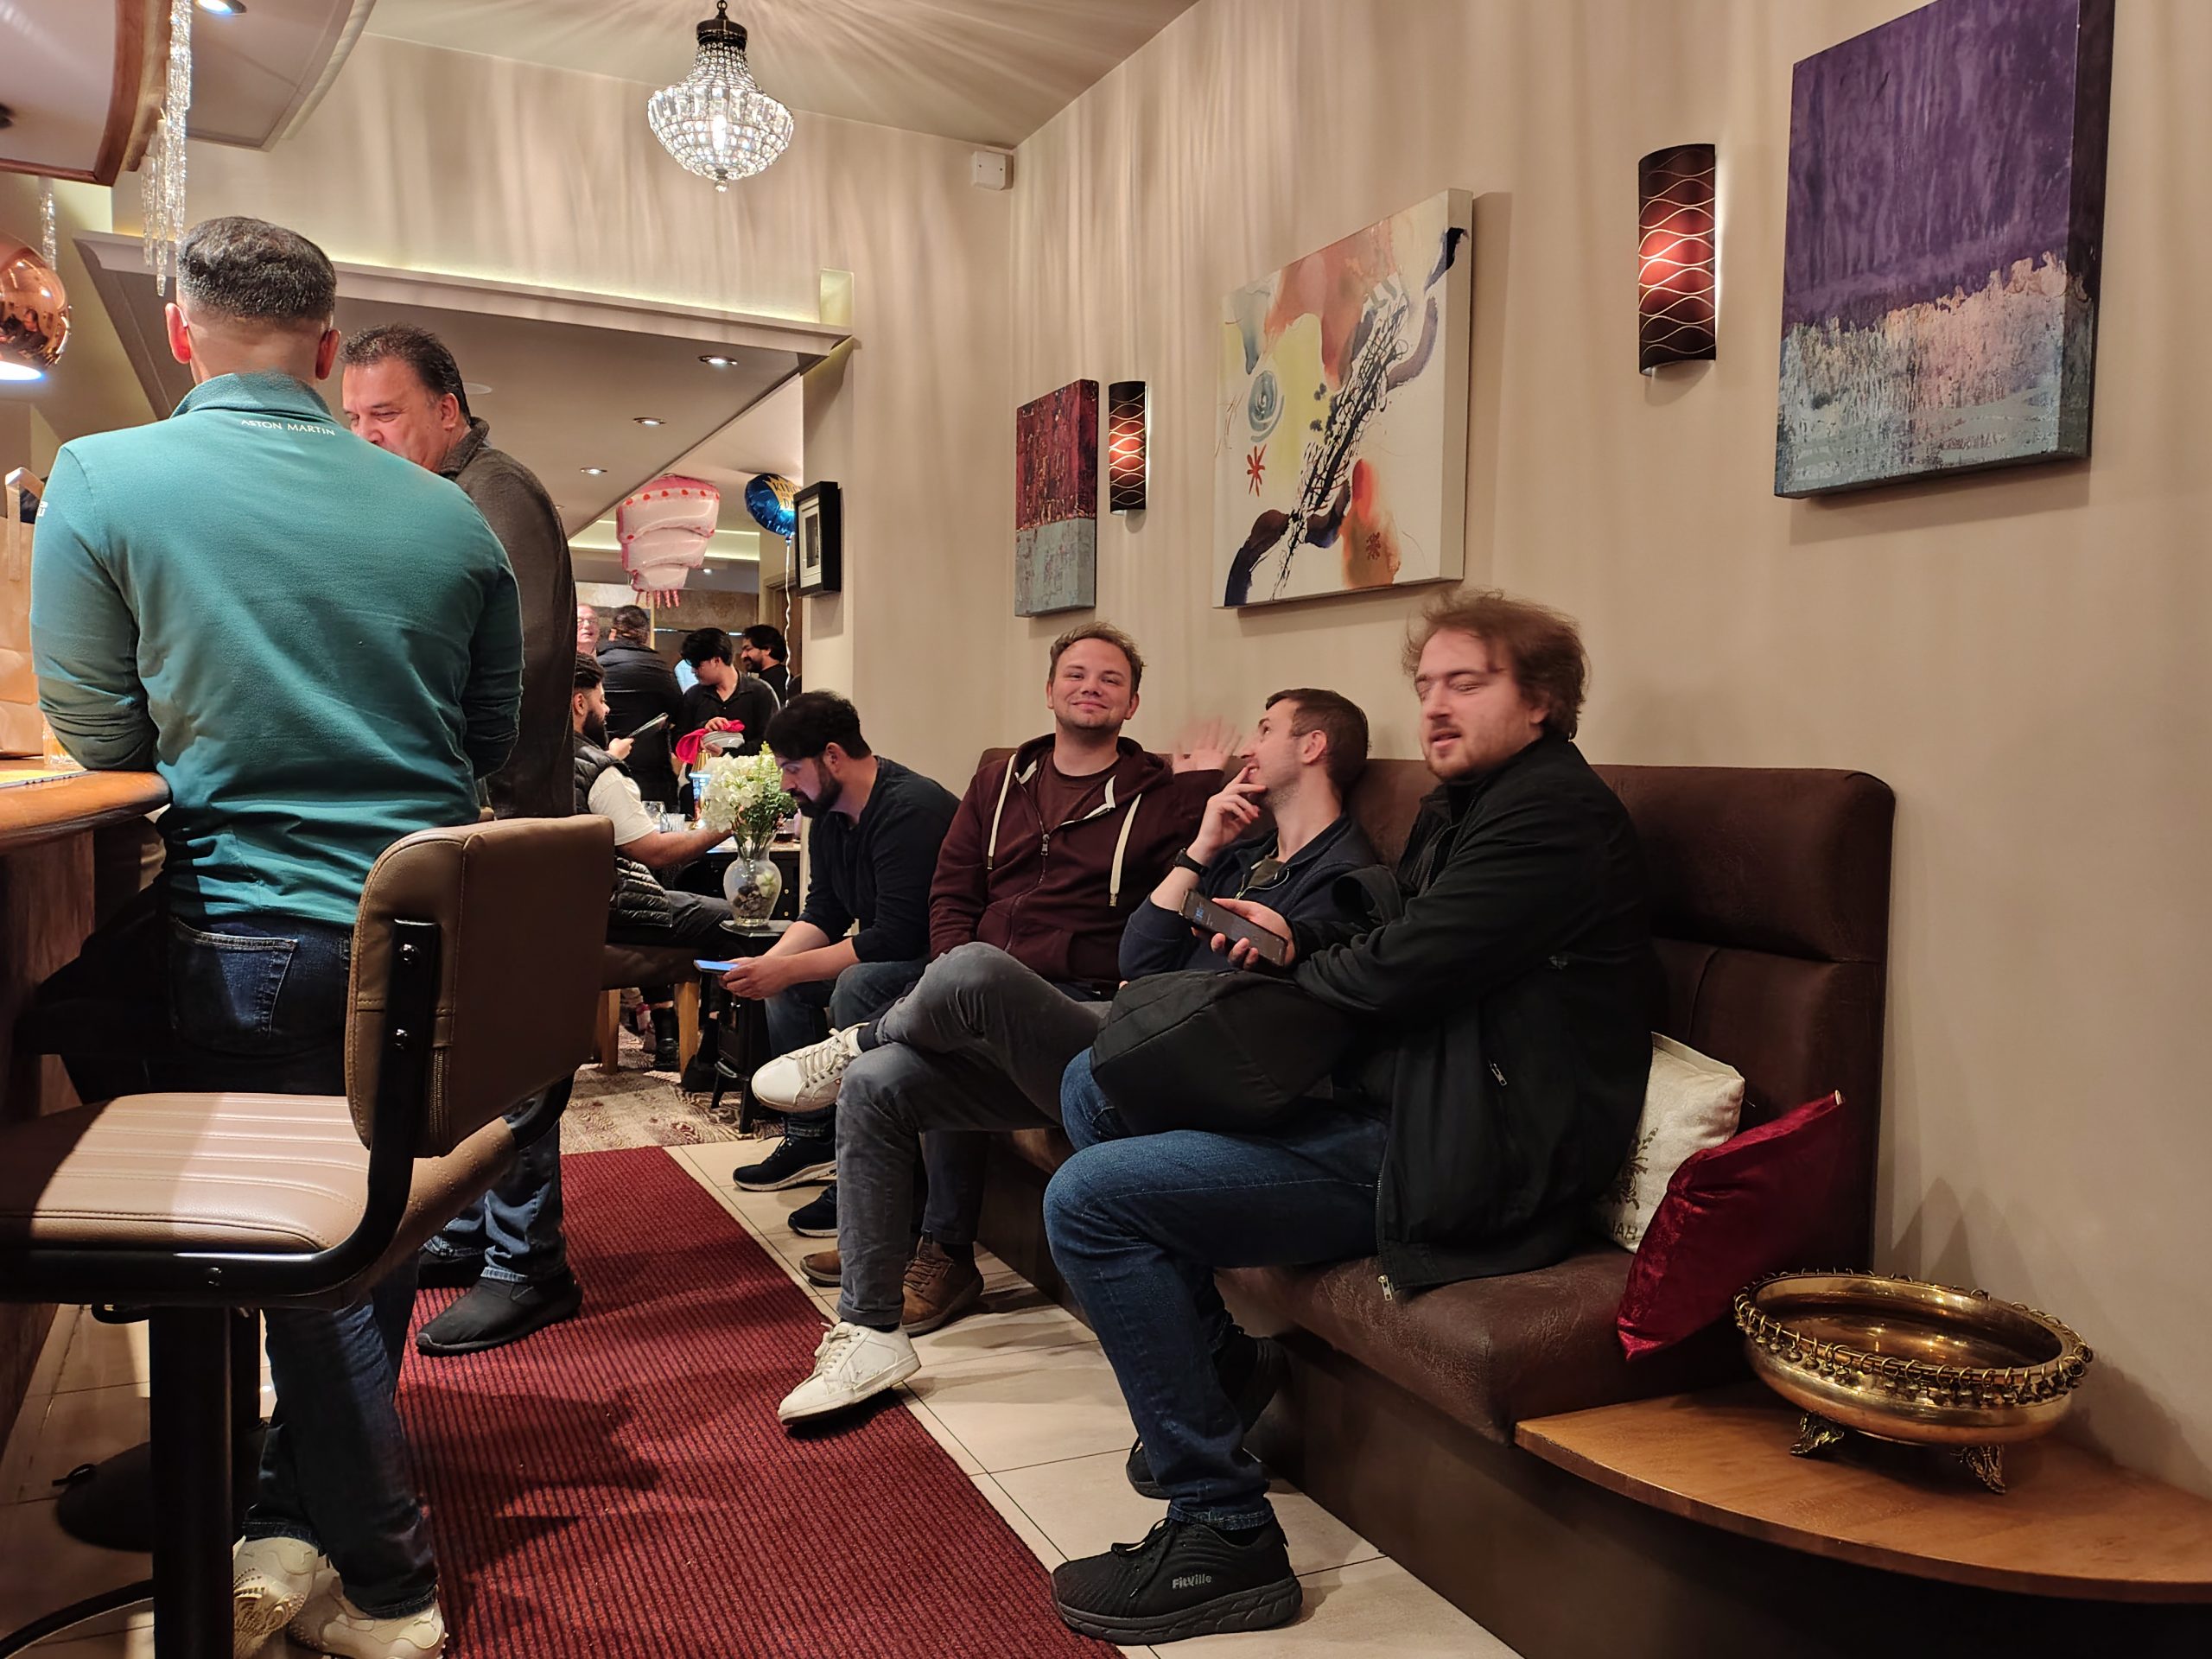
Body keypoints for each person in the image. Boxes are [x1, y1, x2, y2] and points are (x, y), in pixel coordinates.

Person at [30, 215, 520, 1659]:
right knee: (356, 1234)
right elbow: (485, 739)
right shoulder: (448, 517)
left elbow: (101, 735)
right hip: (435, 933)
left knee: (307, 1267)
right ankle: (292, 1519)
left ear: (179, 332)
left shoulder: (102, 477)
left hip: (252, 936)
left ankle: (391, 1588)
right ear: (326, 346)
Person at [1041, 591, 1660, 1646]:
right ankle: (1219, 1362)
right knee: (1096, 1081)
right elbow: (1401, 928)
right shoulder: (1472, 800)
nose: (1436, 707)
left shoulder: (1553, 817)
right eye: (1426, 686)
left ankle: (1224, 1529)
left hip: (1468, 1149)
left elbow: (1400, 970)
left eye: (1467, 684)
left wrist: (1286, 976)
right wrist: (1297, 931)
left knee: (1092, 1201)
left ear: (1543, 701)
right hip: (1411, 1095)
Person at [759, 627, 1332, 1421]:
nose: (1091, 686)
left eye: (1111, 679)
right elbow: (952, 890)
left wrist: (1200, 789)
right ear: (1050, 690)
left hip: (1085, 1016)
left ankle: (862, 1036)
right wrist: (947, 981)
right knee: (878, 1084)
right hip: (980, 1006)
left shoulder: (1164, 794)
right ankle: (869, 1328)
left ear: (1133, 703)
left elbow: (1228, 874)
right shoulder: (999, 780)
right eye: (1076, 673)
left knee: (962, 977)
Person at [339, 322, 585, 1362]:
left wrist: (456, 778)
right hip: (468, 814)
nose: (365, 436)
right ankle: (481, 1232)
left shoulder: (495, 490)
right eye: (351, 418)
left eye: (385, 414)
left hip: (501, 815)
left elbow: (523, 661)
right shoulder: (437, 497)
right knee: (464, 1039)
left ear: (447, 411)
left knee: (509, 1049)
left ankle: (530, 1265)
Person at [717, 693, 957, 1236]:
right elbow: (825, 910)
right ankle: (811, 1139)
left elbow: (898, 937)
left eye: (791, 769)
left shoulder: (911, 811)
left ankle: (864, 1169)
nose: (786, 784)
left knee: (855, 985)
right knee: (785, 984)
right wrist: (767, 967)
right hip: (893, 949)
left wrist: (787, 969)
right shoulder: (826, 815)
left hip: (942, 958)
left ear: (832, 756)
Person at [567, 652, 742, 1069]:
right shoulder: (599, 771)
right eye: (602, 699)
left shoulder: (521, 762)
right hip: (603, 908)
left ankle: (666, 1030)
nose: (607, 709)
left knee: (660, 898)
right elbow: (654, 851)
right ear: (580, 703)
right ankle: (717, 1053)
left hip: (549, 907)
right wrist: (727, 826)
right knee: (733, 919)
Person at [598, 603, 684, 805]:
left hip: (606, 765)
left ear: (613, 633)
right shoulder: (661, 669)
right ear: (645, 636)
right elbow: (679, 714)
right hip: (653, 773)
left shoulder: (597, 665)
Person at [677, 626, 776, 757]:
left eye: (697, 665)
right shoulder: (693, 695)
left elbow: (769, 741)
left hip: (747, 769)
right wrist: (703, 728)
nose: (693, 671)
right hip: (702, 769)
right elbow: (679, 739)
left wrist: (728, 755)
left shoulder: (761, 692)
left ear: (716, 660)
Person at [740, 622, 796, 703]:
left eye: (748, 649)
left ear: (767, 650)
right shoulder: (785, 676)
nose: (743, 656)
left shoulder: (770, 684)